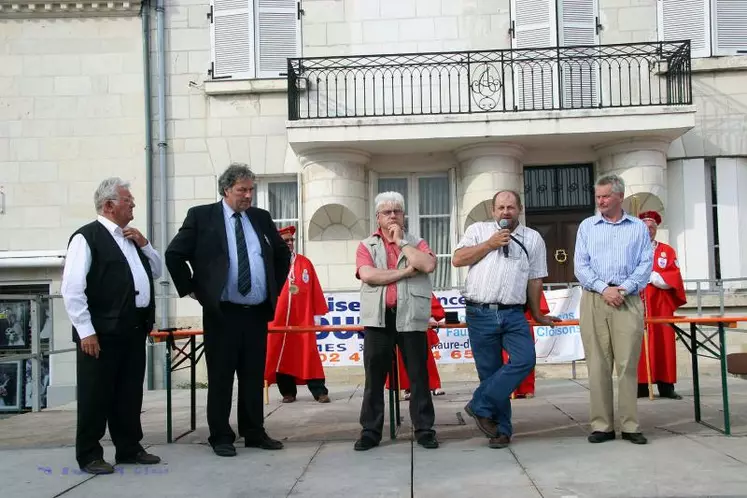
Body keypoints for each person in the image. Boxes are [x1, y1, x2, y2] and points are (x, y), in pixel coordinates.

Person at [165, 163, 291, 458]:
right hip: (223, 312)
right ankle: (220, 434)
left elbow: (282, 254)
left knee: (252, 375)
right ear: (226, 190)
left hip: (256, 312)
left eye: (251, 190)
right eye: (242, 190)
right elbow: (174, 254)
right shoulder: (202, 216)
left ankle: (254, 431)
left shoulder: (260, 217)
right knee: (221, 376)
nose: (248, 195)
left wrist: (272, 286)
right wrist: (195, 290)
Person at [60, 177, 162, 475]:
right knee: (96, 394)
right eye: (128, 201)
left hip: (133, 328)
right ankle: (89, 453)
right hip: (101, 332)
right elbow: (73, 289)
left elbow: (156, 270)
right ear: (109, 206)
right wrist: (86, 331)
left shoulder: (130, 237)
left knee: (129, 393)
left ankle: (129, 447)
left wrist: (145, 245)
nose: (133, 205)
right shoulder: (86, 238)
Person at [452, 190, 556, 449]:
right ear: (493, 211)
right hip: (479, 312)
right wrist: (489, 244)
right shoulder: (478, 230)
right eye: (500, 207)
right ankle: (501, 430)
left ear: (519, 209)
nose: (505, 212)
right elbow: (457, 259)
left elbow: (535, 279)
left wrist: (537, 313)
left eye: (510, 207)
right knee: (490, 374)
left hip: (513, 313)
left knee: (525, 360)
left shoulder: (532, 238)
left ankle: (479, 404)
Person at [354, 191, 439, 451]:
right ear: (377, 217)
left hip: (410, 317)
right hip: (379, 319)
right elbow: (369, 275)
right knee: (374, 377)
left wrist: (401, 243)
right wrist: (404, 272)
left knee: (418, 376)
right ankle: (370, 431)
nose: (392, 216)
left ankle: (424, 430)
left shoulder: (417, 242)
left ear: (404, 215)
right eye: (387, 212)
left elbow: (427, 265)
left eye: (397, 211)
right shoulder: (366, 245)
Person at [573, 174, 653, 445]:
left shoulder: (638, 228)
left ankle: (630, 425)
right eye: (597, 196)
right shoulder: (587, 226)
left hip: (627, 298)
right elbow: (580, 265)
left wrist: (625, 288)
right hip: (595, 297)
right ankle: (602, 425)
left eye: (606, 196)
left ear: (620, 196)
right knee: (597, 364)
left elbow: (645, 264)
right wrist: (603, 288)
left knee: (628, 363)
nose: (601, 201)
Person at [265, 225, 331, 404]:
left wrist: (317, 313)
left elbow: (315, 288)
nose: (289, 243)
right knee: (280, 354)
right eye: (285, 241)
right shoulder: (270, 263)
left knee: (308, 353)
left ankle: (319, 391)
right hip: (277, 319)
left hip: (302, 318)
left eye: (291, 240)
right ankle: (288, 392)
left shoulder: (304, 263)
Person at [636, 210, 687, 400]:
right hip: (638, 304)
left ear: (656, 229)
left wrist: (654, 277)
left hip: (660, 305)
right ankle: (641, 386)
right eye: (645, 227)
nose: (648, 230)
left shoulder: (666, 251)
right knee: (638, 345)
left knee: (664, 344)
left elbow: (674, 277)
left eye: (652, 227)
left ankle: (667, 386)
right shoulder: (631, 249)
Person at [385, 294, 446, 397]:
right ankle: (408, 388)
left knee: (426, 359)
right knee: (403, 360)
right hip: (399, 325)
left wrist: (431, 315)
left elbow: (429, 299)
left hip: (418, 324)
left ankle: (433, 385)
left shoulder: (418, 283)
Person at [504, 292, 551, 399]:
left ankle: (527, 388)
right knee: (505, 356)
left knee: (526, 355)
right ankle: (509, 389)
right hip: (503, 313)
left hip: (523, 314)